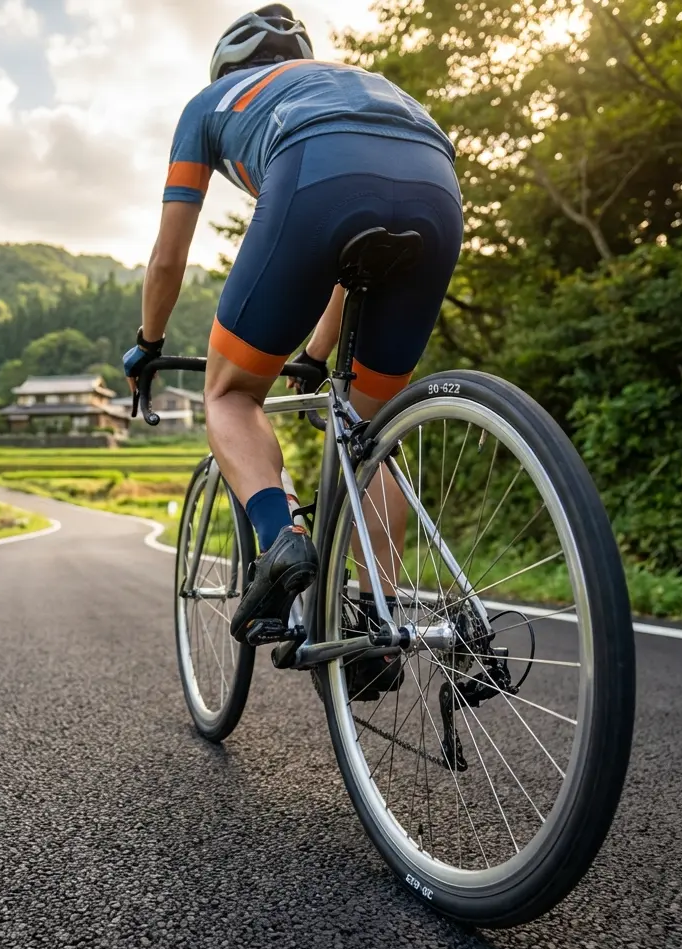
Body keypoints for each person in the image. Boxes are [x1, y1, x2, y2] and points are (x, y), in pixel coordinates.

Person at [122, 4, 463, 660]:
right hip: (437, 183)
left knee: (229, 395)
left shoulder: (209, 104)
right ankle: (377, 627)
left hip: (315, 168)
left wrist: (150, 344)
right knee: (371, 431)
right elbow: (348, 271)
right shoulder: (354, 79)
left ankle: (281, 541)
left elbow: (167, 258)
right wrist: (314, 355)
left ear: (225, 67)